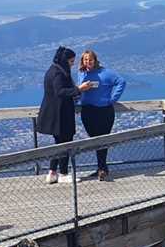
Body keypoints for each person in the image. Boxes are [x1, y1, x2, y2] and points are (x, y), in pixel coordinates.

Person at [37, 46, 94, 184]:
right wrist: (79, 89)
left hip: (55, 114)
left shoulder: (52, 70)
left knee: (59, 143)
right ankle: (63, 173)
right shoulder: (58, 73)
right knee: (66, 142)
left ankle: (52, 172)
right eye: (71, 61)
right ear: (65, 60)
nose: (72, 64)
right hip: (60, 115)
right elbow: (60, 91)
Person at [78, 49, 126, 181]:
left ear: (95, 60)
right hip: (87, 111)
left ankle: (102, 169)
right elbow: (81, 90)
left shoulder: (106, 73)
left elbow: (121, 82)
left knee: (103, 140)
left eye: (90, 59)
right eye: (85, 59)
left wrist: (113, 99)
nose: (88, 62)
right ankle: (101, 168)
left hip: (104, 111)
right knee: (94, 140)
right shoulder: (82, 74)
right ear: (82, 61)